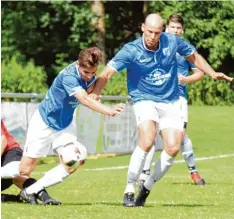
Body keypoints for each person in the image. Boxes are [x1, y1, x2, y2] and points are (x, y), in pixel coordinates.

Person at [90, 14, 233, 207]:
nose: (153, 36)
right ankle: (129, 188)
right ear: (142, 28)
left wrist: (212, 73)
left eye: (157, 33)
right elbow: (107, 73)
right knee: (147, 140)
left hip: (170, 100)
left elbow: (194, 56)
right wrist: (95, 93)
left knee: (173, 147)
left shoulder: (172, 41)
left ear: (162, 31)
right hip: (144, 99)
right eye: (149, 32)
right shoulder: (131, 50)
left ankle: (146, 187)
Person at [5, 47, 125, 205]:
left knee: (76, 158)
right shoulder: (68, 76)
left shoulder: (90, 74)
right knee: (24, 170)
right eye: (86, 72)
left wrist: (95, 93)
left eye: (92, 73)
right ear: (78, 64)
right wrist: (108, 110)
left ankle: (30, 191)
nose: (89, 76)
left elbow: (98, 83)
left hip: (64, 125)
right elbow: (84, 99)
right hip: (44, 122)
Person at [139, 14, 206, 186]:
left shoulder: (186, 48)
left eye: (178, 28)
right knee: (150, 134)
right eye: (172, 27)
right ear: (165, 28)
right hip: (154, 96)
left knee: (181, 136)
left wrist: (184, 79)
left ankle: (193, 171)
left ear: (182, 30)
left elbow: (199, 72)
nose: (175, 31)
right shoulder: (155, 45)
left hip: (178, 98)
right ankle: (144, 174)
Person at [1, 119, 61, 205]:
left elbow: (2, 141)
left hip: (9, 152)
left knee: (16, 174)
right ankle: (15, 198)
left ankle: (45, 197)